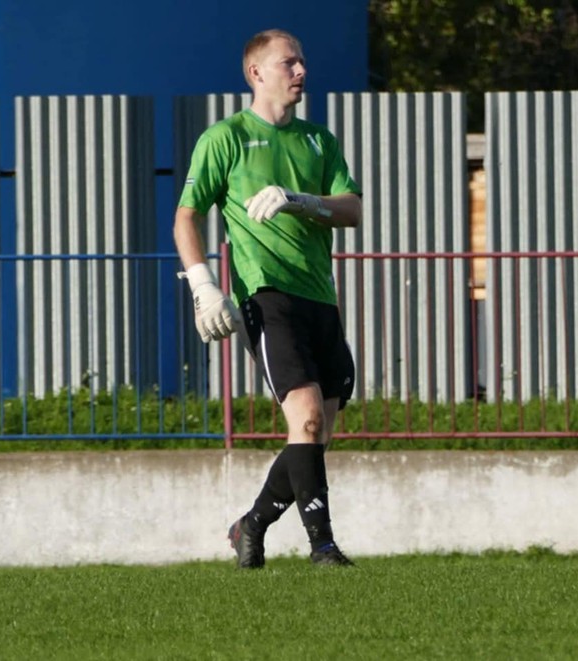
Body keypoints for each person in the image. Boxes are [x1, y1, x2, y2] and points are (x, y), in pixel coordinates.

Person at [173, 28, 362, 568]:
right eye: (289, 63)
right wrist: (204, 286)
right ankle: (323, 547)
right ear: (256, 73)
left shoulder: (318, 140)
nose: (301, 71)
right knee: (303, 420)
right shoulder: (225, 137)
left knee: (317, 433)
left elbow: (352, 210)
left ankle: (251, 525)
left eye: (302, 62)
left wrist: (299, 200)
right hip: (266, 296)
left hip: (320, 298)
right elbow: (187, 216)